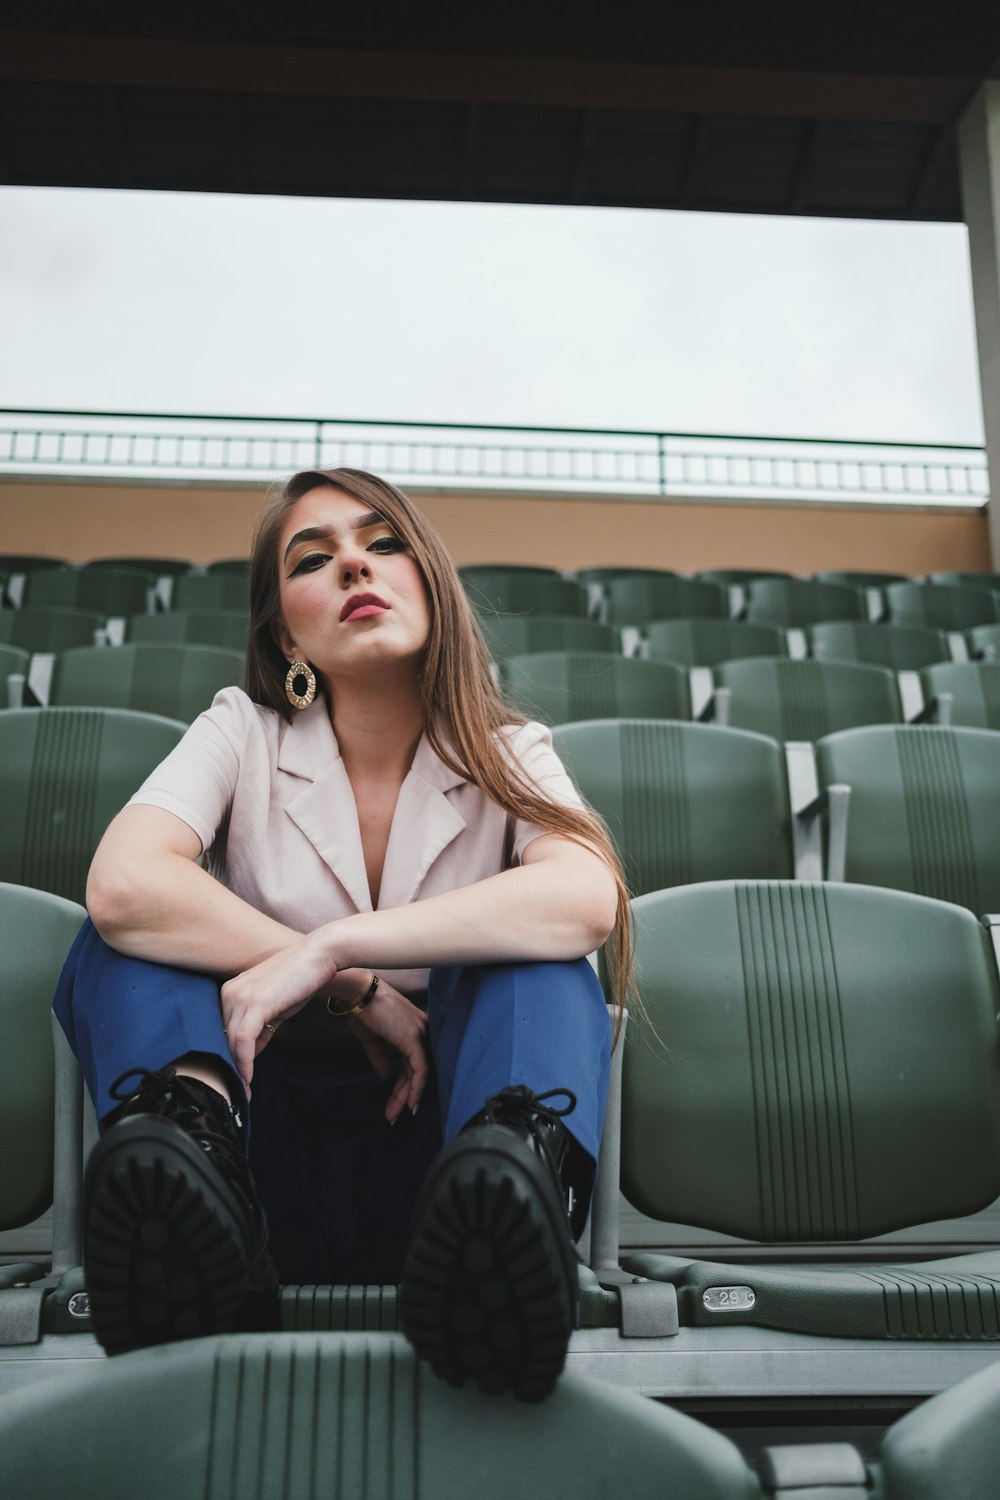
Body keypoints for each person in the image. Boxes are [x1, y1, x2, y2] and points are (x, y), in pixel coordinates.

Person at [53, 467, 633, 1401]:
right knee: (119, 940)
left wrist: (330, 949)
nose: (355, 566)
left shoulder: (511, 749)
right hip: (257, 1133)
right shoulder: (242, 728)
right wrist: (356, 991)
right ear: (287, 631)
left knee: (539, 956)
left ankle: (516, 1185)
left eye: (384, 543)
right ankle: (185, 1148)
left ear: (430, 584)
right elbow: (124, 884)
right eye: (314, 559)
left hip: (438, 1155)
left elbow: (583, 901)